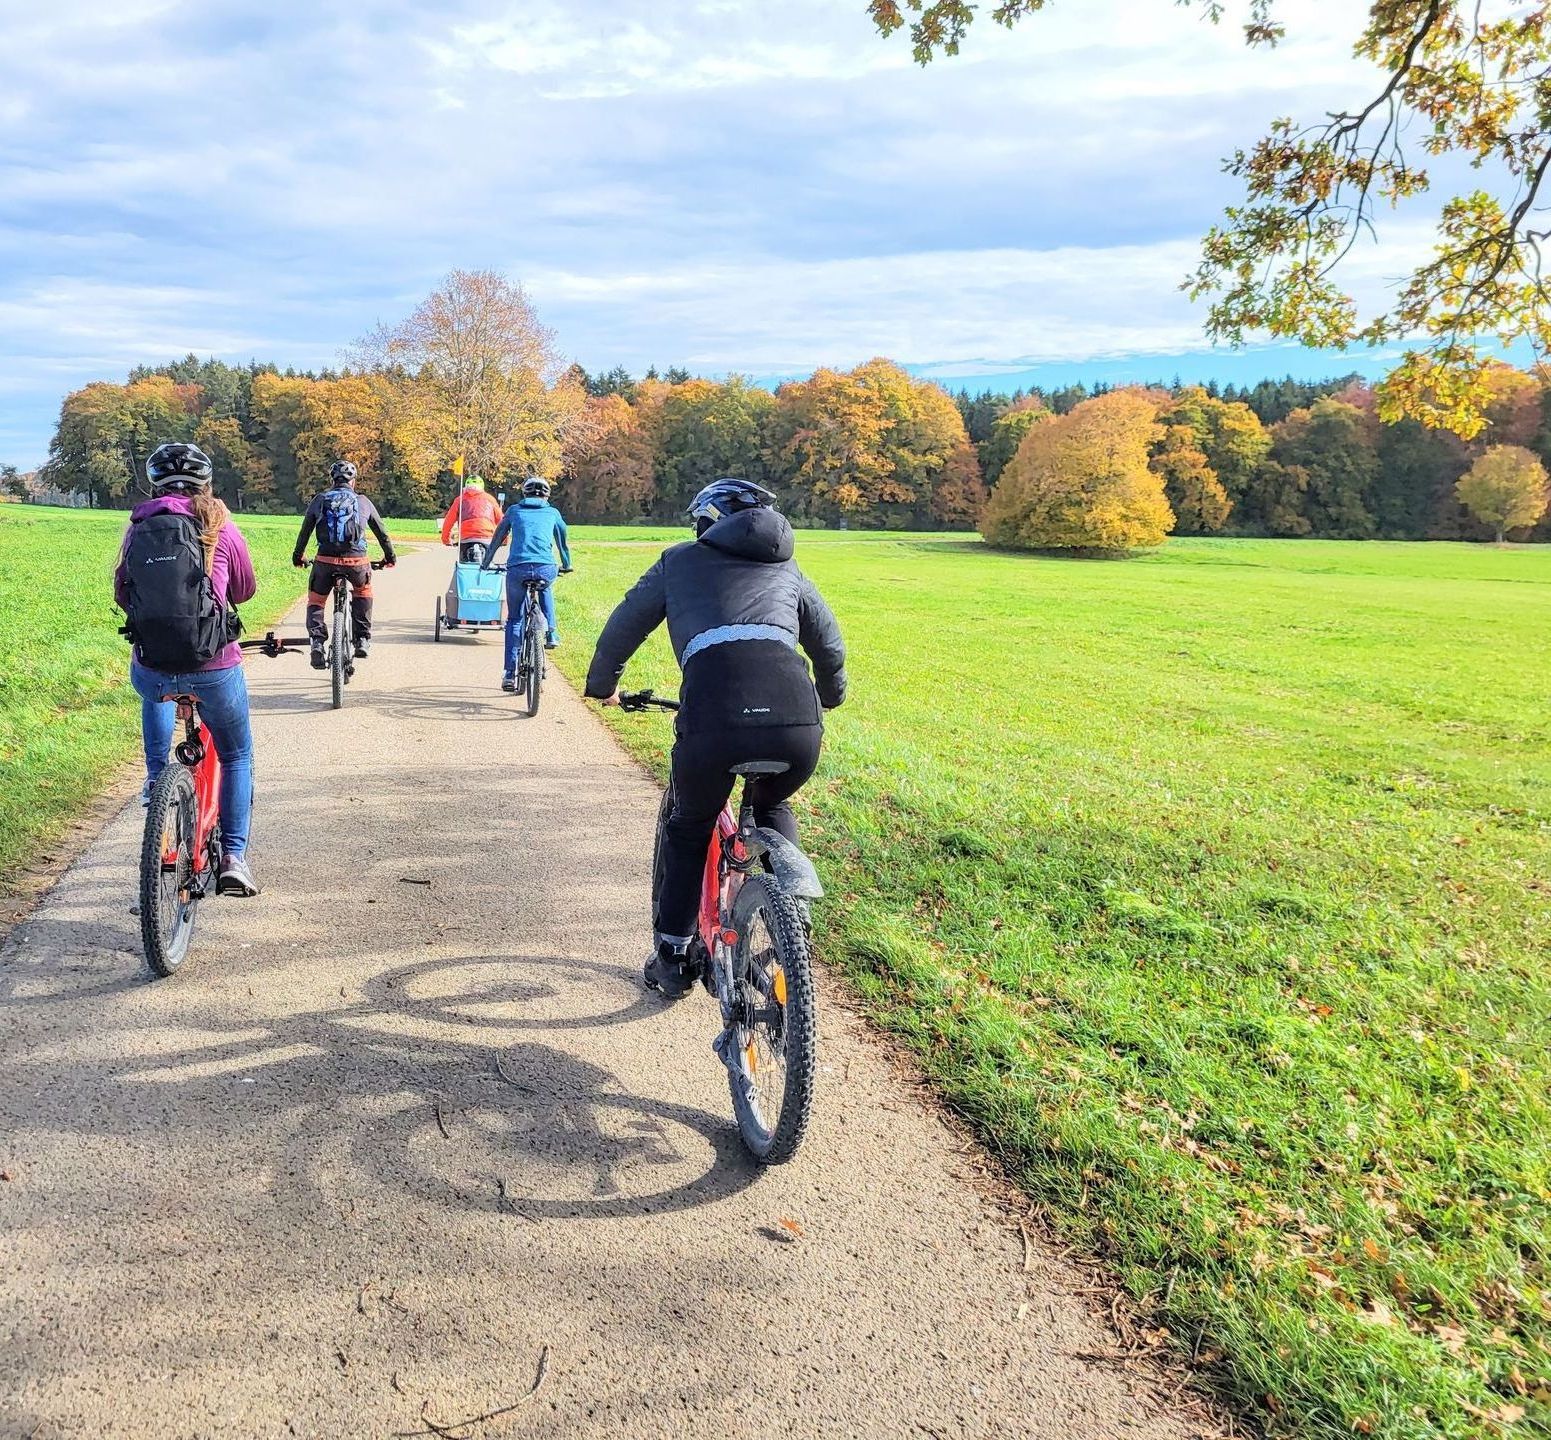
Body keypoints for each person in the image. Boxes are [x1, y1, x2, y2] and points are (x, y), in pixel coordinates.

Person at [584, 479, 846, 997]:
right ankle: (790, 931)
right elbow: (829, 643)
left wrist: (602, 688)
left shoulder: (679, 561)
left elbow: (623, 627)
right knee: (772, 807)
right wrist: (830, 697)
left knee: (691, 825)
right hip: (797, 720)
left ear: (706, 521)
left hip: (714, 715)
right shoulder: (787, 567)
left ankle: (674, 958)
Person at [114, 441, 262, 897]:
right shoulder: (220, 525)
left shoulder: (139, 526)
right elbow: (246, 588)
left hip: (154, 665)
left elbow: (123, 594)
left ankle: (157, 779)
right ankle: (234, 857)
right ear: (206, 483)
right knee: (237, 754)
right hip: (213, 664)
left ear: (155, 484)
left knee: (153, 685)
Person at [292, 461, 396, 668]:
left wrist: (298, 557)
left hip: (325, 562)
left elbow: (305, 532)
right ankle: (362, 640)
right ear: (353, 481)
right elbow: (381, 532)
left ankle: (317, 643)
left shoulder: (320, 500)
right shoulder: (363, 501)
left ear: (332, 480)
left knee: (317, 601)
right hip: (356, 562)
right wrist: (389, 557)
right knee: (363, 592)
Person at [480, 477, 573, 690]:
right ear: (547, 495)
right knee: (546, 587)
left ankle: (509, 675)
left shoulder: (513, 511)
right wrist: (566, 564)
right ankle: (551, 632)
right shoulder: (553, 513)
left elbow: (497, 538)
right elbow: (562, 542)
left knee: (514, 619)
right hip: (545, 567)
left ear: (525, 494)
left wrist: (486, 562)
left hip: (517, 568)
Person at [439, 474, 503, 563]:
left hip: (466, 537)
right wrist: (504, 539)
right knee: (488, 566)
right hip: (486, 536)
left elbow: (449, 521)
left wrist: (446, 539)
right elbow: (502, 521)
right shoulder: (490, 499)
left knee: (462, 566)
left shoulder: (460, 500)